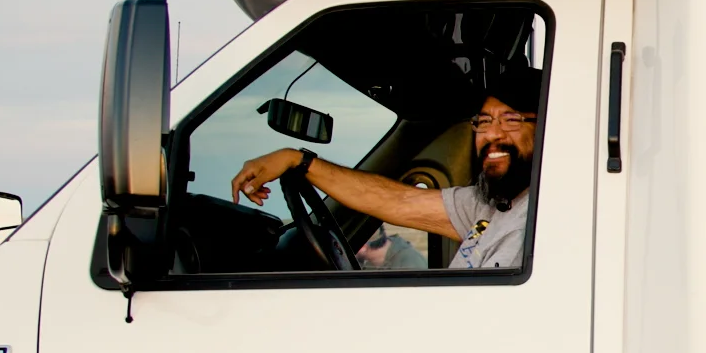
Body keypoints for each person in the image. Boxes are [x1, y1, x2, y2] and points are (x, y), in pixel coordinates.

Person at [230, 67, 541, 270]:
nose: (492, 134)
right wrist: (298, 160)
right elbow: (394, 200)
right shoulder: (492, 204)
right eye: (484, 122)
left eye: (511, 120)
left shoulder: (539, 221)